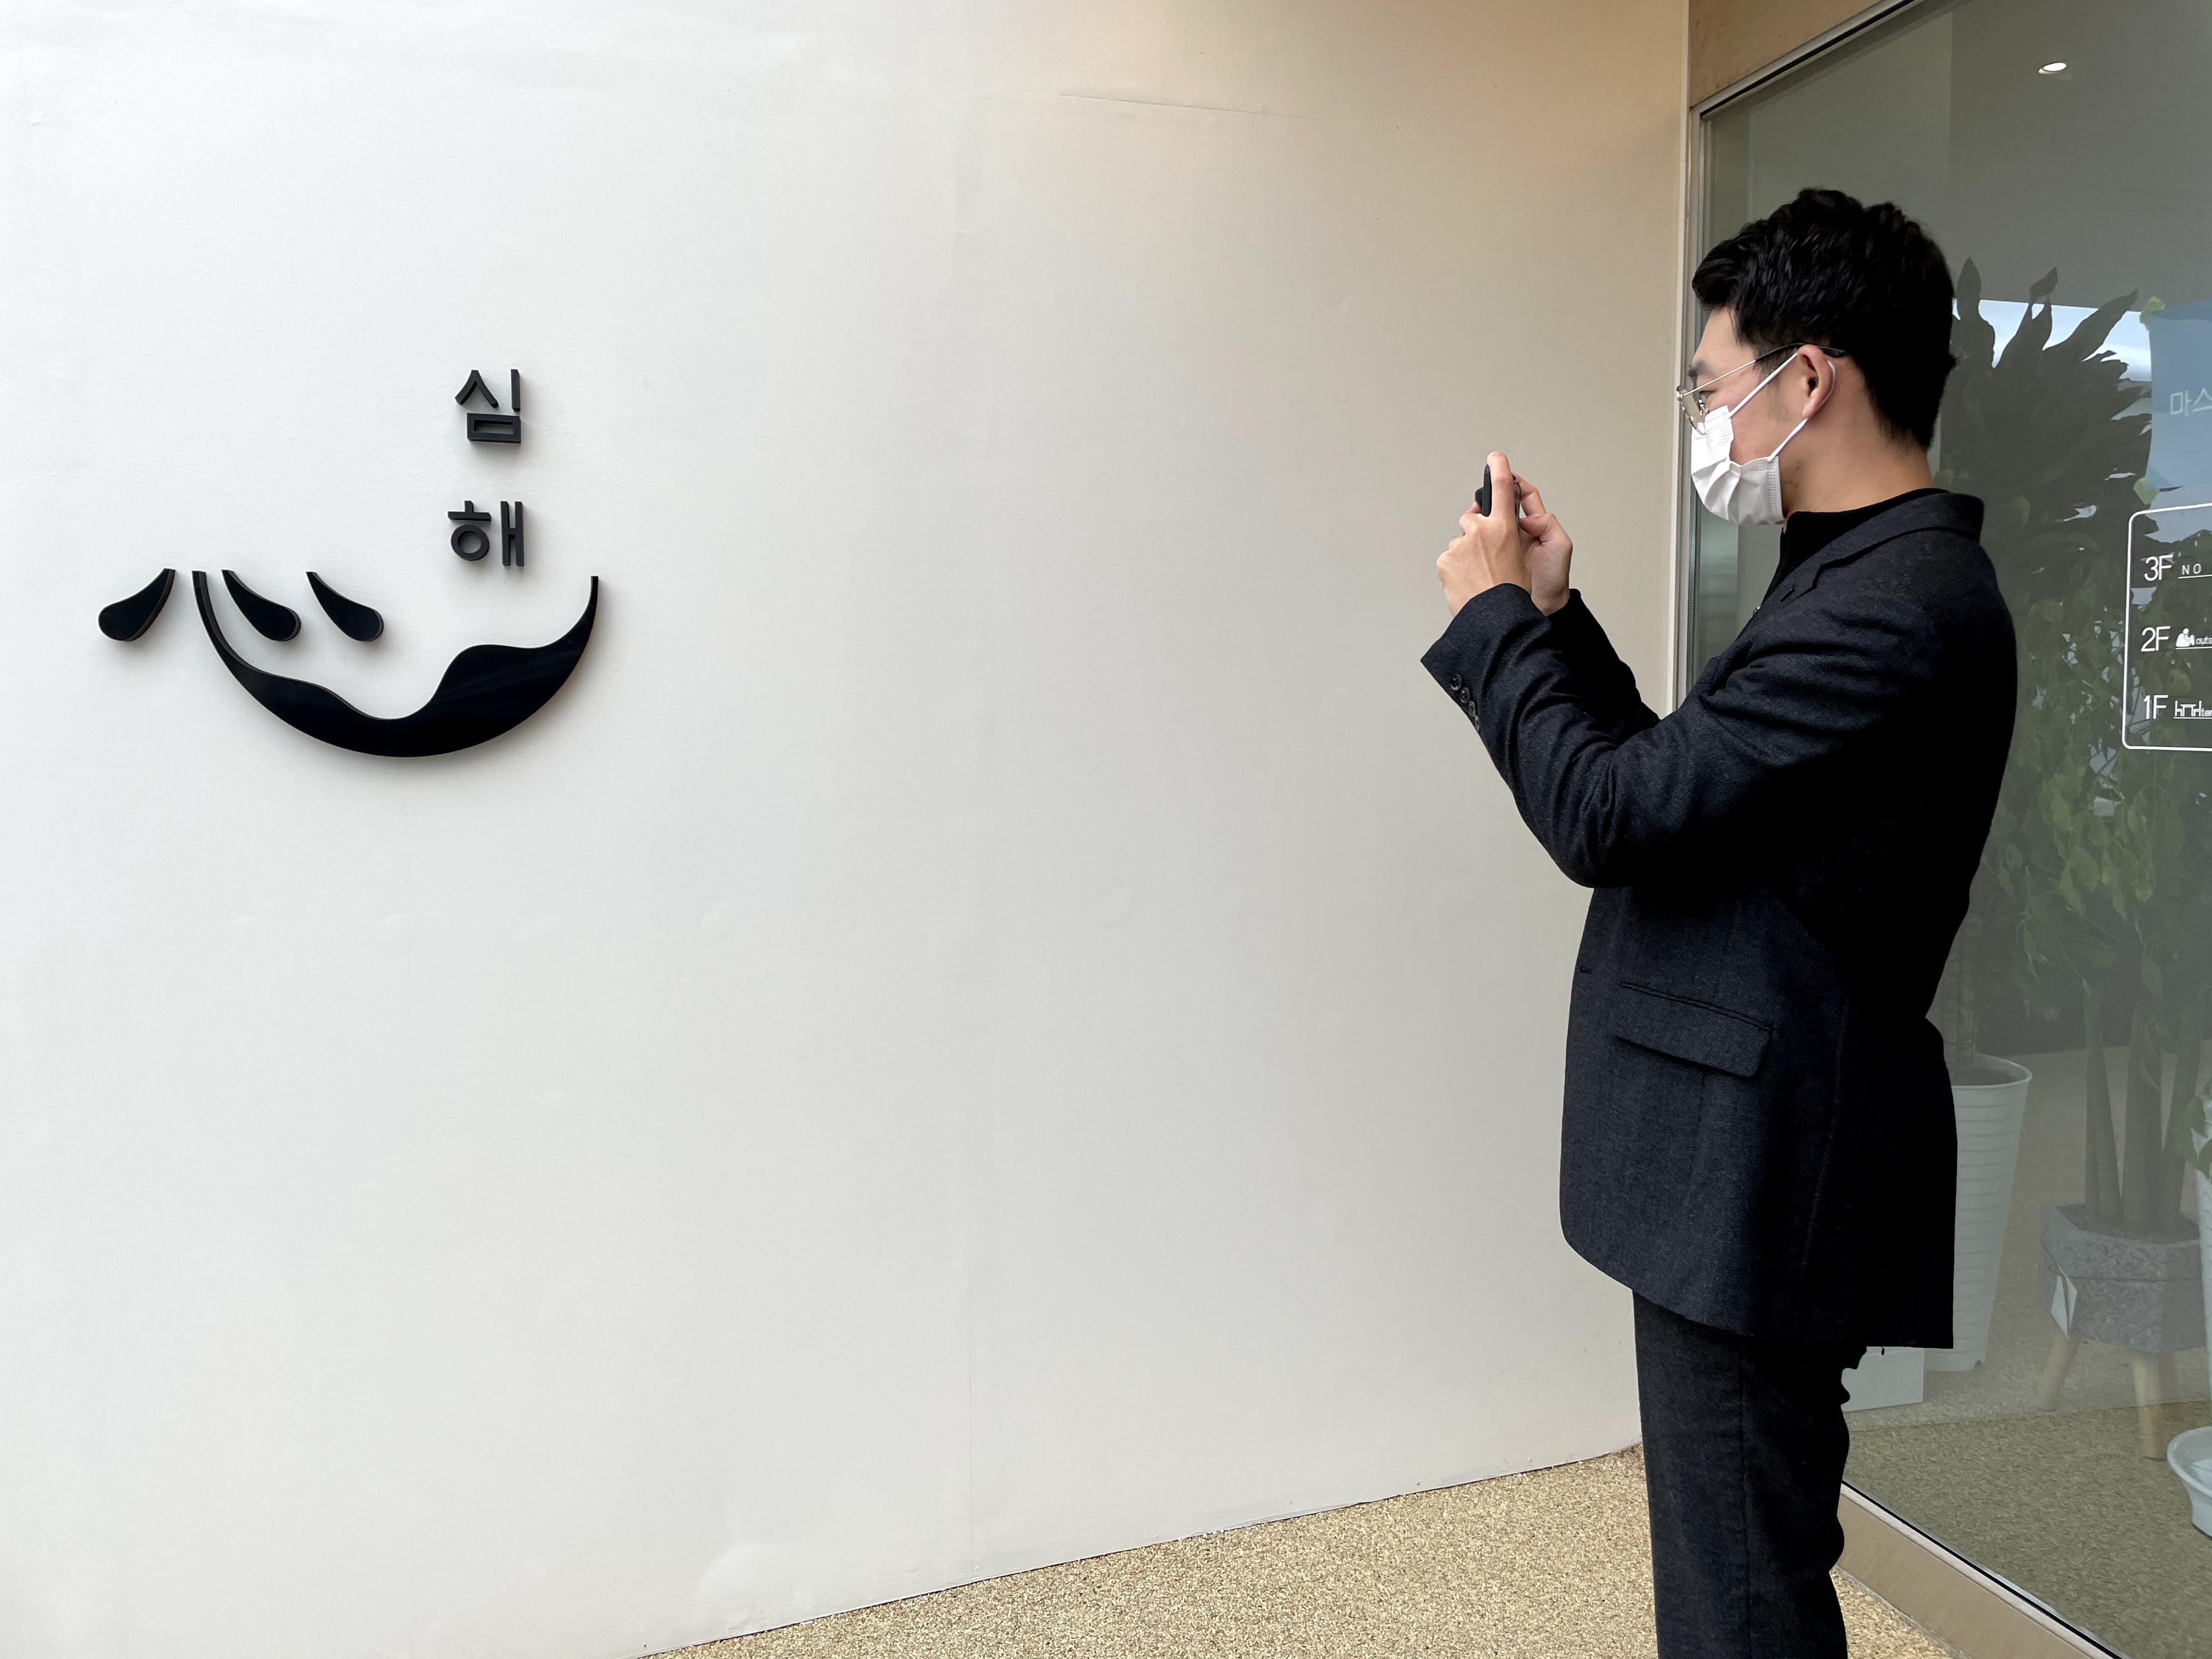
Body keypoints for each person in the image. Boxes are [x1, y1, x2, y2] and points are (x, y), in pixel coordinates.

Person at [1419, 188, 2015, 1658]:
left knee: (1740, 1598)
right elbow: (1686, 800)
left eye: (1710, 387)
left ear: (1806, 380)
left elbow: (1608, 818)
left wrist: (1494, 622)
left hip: (1764, 1167)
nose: (1705, 423)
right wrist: (1553, 619)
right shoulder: (1858, 575)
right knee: (1737, 1573)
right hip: (1746, 1154)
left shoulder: (1895, 602)